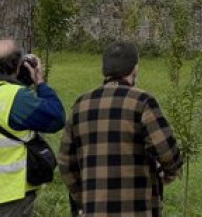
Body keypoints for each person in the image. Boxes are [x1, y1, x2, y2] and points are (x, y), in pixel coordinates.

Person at [59, 41, 183, 216]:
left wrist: (85, 197)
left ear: (105, 69)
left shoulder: (80, 105)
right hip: (137, 209)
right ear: (135, 69)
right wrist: (167, 175)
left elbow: (65, 162)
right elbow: (168, 153)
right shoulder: (142, 102)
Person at [0, 38, 66, 216]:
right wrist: (39, 82)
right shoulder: (15, 97)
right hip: (9, 190)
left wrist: (17, 80)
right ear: (18, 65)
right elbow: (56, 117)